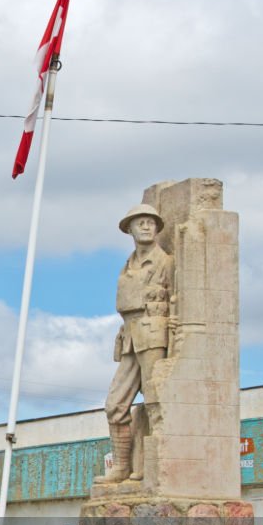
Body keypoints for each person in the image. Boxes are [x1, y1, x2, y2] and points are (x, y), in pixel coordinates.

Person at [95, 203, 175, 484]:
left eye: (151, 222)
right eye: (139, 222)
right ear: (128, 228)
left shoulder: (165, 262)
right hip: (129, 334)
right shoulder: (128, 264)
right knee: (115, 404)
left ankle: (154, 466)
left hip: (154, 332)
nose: (145, 226)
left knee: (155, 400)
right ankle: (122, 467)